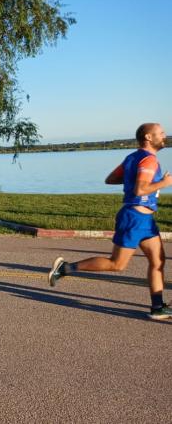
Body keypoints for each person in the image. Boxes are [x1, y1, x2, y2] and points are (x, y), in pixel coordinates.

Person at [49, 122, 172, 319]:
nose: (165, 136)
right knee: (117, 264)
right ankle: (65, 268)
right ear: (149, 137)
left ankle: (158, 307)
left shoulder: (132, 158)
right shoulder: (148, 160)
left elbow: (111, 179)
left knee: (158, 261)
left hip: (146, 220)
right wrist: (164, 183)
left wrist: (133, 178)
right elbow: (140, 190)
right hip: (134, 218)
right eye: (161, 133)